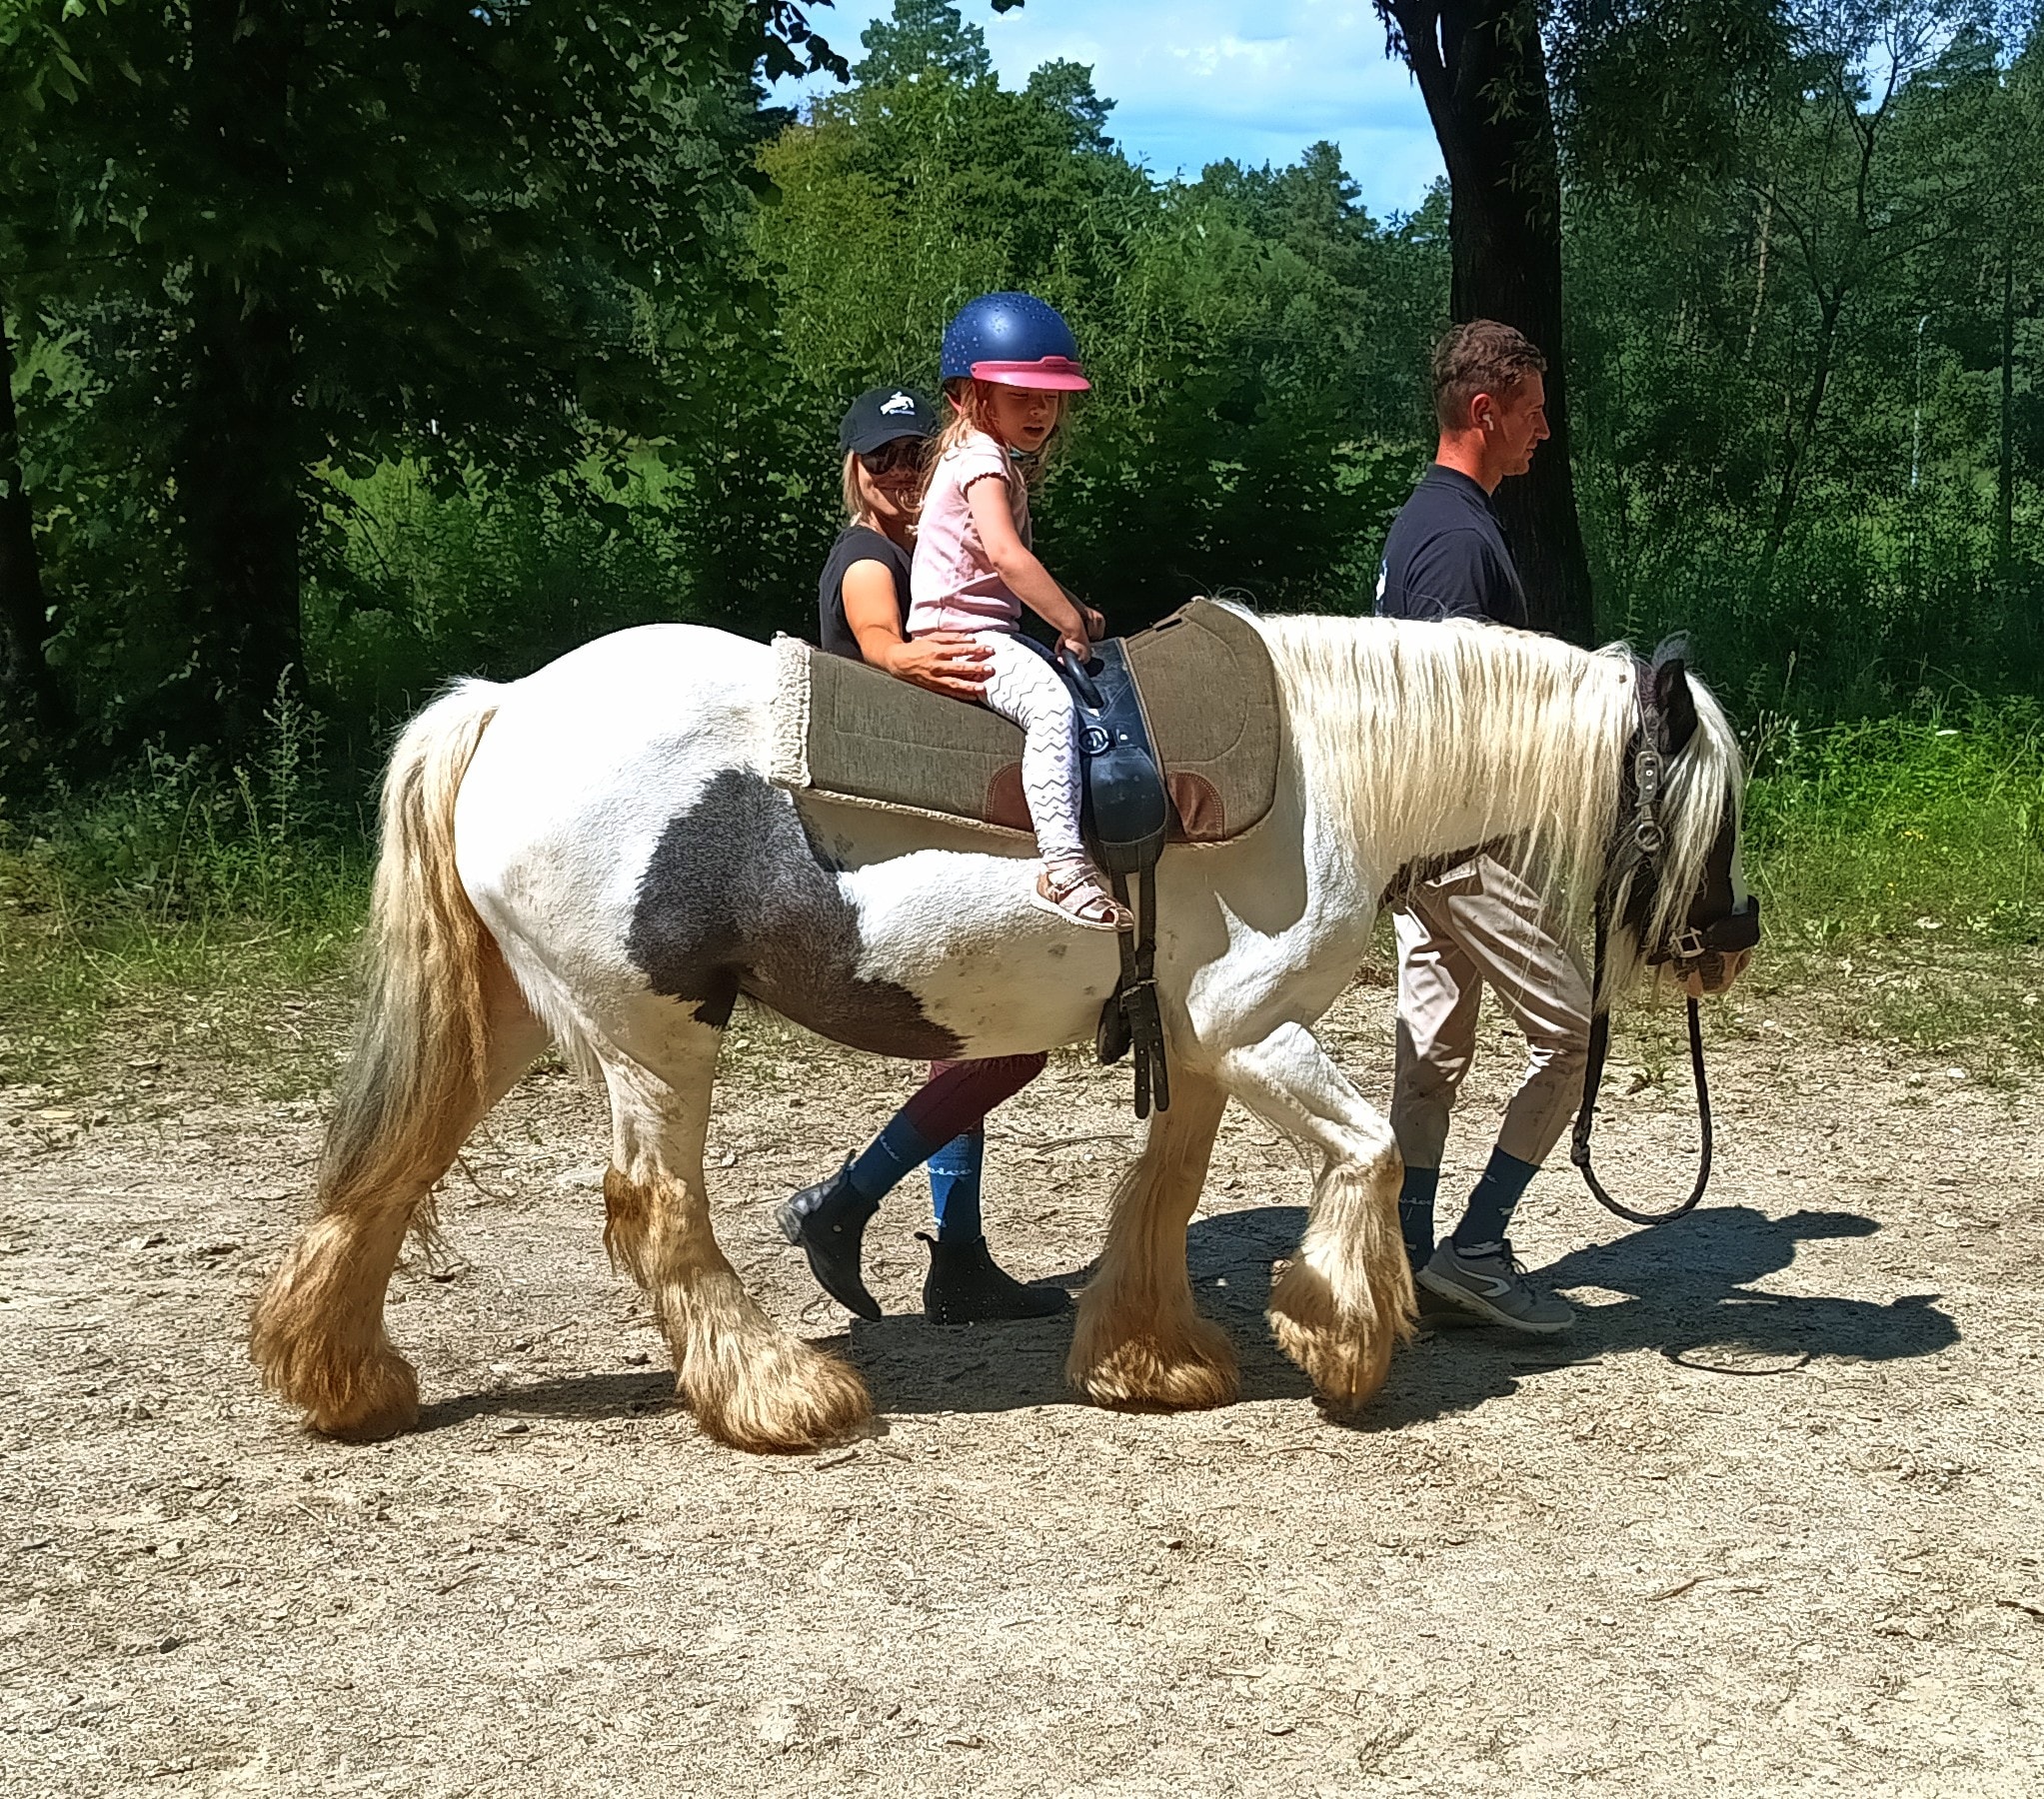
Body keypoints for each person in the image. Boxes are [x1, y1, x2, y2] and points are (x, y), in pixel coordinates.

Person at [778, 385, 1067, 1326]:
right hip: (888, 843)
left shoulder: (926, 554)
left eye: (915, 455)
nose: (903, 473)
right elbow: (877, 640)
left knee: (980, 1042)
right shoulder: (870, 558)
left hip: (924, 827)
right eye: (883, 459)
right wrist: (900, 657)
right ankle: (854, 1201)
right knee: (1009, 1041)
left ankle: (957, 1255)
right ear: (855, 471)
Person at [1374, 320, 1589, 1336]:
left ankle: (1408, 1255)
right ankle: (1476, 1245)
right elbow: (1444, 721)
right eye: (1534, 411)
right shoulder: (1459, 542)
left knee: (1431, 1051)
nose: (1543, 431)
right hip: (1460, 848)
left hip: (1418, 851)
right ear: (1483, 410)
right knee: (1568, 1033)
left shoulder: (1427, 522)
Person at [907, 291, 1129, 931]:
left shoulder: (979, 454)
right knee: (1053, 707)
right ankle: (1063, 865)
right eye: (1020, 393)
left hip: (980, 622)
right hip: (964, 632)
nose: (1040, 409)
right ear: (968, 395)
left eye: (1050, 396)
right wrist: (1066, 619)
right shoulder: (982, 460)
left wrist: (1068, 609)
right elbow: (1005, 557)